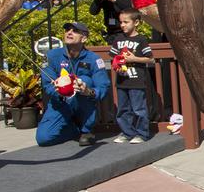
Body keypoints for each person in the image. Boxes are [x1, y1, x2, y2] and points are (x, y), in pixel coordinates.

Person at [37, 21, 111, 147]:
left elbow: (103, 86)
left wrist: (89, 91)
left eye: (75, 31)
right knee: (43, 139)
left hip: (82, 103)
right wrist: (59, 90)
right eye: (67, 30)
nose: (69, 33)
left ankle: (86, 129)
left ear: (84, 38)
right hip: (60, 103)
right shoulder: (52, 56)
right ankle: (74, 129)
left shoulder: (94, 59)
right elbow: (47, 85)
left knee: (84, 80)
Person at [107, 9, 155, 143]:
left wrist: (134, 59)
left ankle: (142, 134)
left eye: (126, 22)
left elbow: (150, 59)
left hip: (137, 81)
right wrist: (117, 64)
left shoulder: (141, 40)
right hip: (122, 80)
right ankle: (127, 133)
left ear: (136, 23)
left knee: (139, 109)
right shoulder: (118, 39)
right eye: (121, 22)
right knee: (123, 109)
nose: (122, 25)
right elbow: (113, 57)